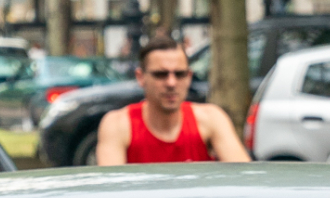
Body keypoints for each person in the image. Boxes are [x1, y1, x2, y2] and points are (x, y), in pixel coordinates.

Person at [95, 32, 251, 165]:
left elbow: (244, 179)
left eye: (179, 74)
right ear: (140, 77)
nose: (171, 83)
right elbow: (111, 194)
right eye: (161, 74)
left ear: (189, 76)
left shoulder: (211, 118)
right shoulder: (118, 125)